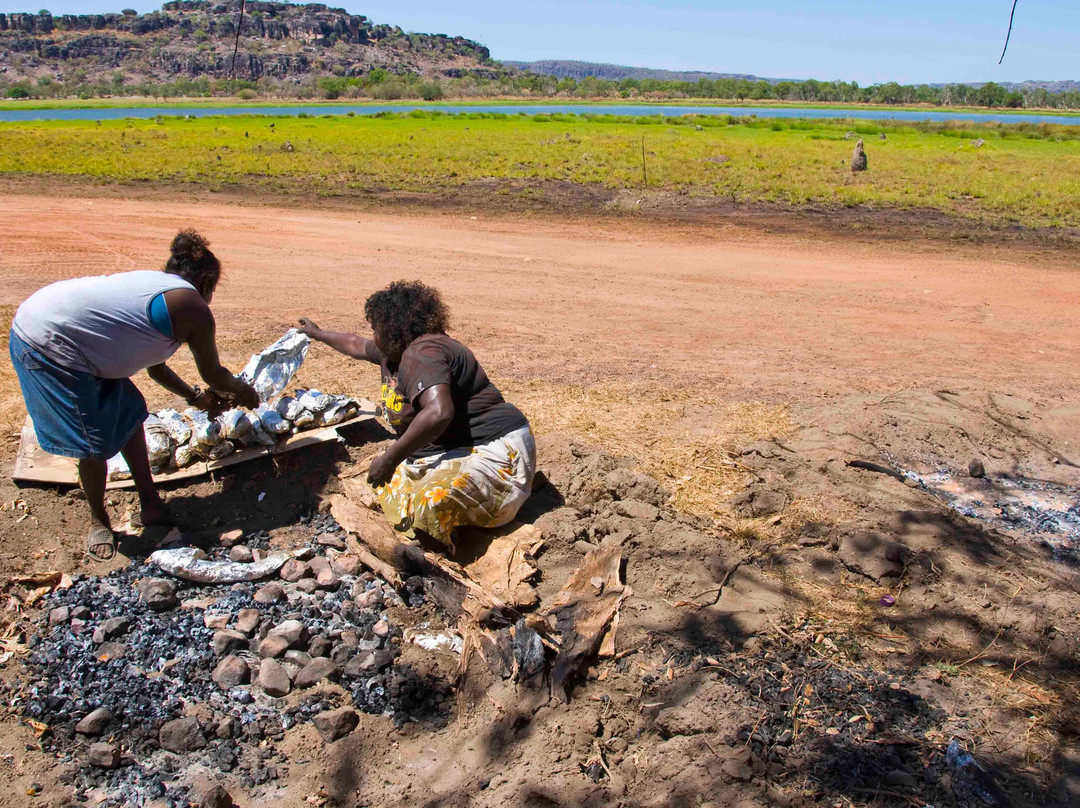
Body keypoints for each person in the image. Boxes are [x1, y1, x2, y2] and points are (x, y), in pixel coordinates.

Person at [10, 230, 259, 560]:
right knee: (93, 440)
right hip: (48, 344)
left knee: (130, 412)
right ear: (207, 281)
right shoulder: (192, 306)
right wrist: (243, 390)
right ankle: (98, 522)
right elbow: (213, 373)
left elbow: (157, 368)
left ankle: (151, 505)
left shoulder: (164, 288)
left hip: (76, 341)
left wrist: (195, 397)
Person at [299, 280, 535, 552]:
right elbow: (354, 344)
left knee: (429, 502)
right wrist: (316, 334)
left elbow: (439, 413)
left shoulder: (423, 353)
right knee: (386, 492)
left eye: (376, 329)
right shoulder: (394, 351)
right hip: (456, 450)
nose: (373, 336)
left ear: (394, 331)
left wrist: (389, 459)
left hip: (494, 450)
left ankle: (441, 557)